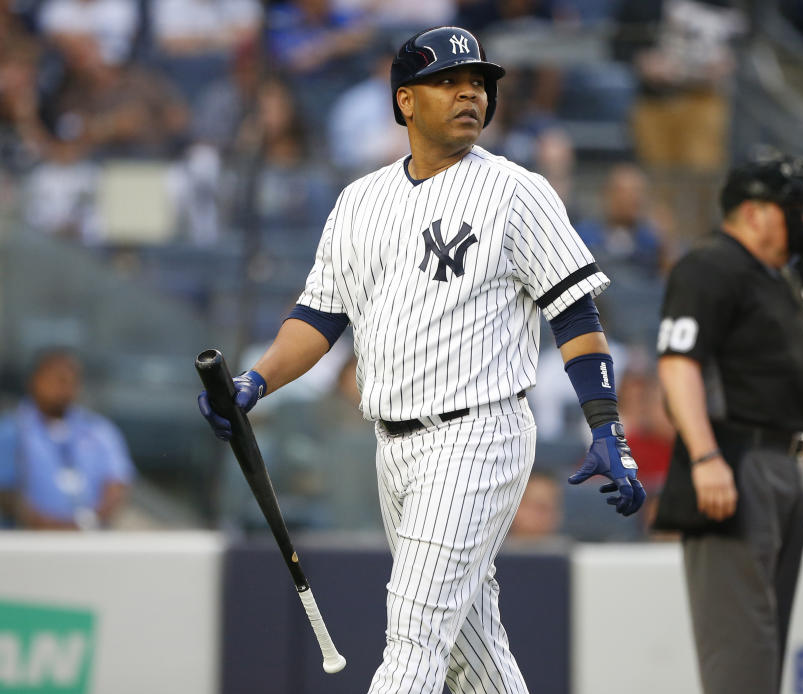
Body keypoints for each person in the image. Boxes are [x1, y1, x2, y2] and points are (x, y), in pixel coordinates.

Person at [198, 26, 644, 694]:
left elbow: (575, 313)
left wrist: (606, 423)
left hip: (478, 432)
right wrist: (255, 380)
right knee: (471, 648)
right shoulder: (360, 201)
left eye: (479, 83)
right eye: (449, 81)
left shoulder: (517, 192)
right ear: (405, 101)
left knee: (412, 635)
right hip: (394, 445)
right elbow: (318, 318)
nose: (470, 93)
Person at [653, 149, 803, 694]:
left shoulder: (781, 279)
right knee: (742, 655)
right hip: (734, 466)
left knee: (767, 647)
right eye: (796, 207)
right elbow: (678, 366)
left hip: (782, 462)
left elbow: (779, 384)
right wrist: (706, 456)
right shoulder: (710, 266)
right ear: (755, 211)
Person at [0, 349, 135, 530]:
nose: (63, 388)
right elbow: (5, 493)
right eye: (56, 380)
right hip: (29, 543)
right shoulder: (12, 430)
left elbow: (117, 483)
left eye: (71, 381)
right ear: (34, 381)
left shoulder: (99, 430)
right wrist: (49, 526)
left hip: (89, 542)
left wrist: (89, 523)